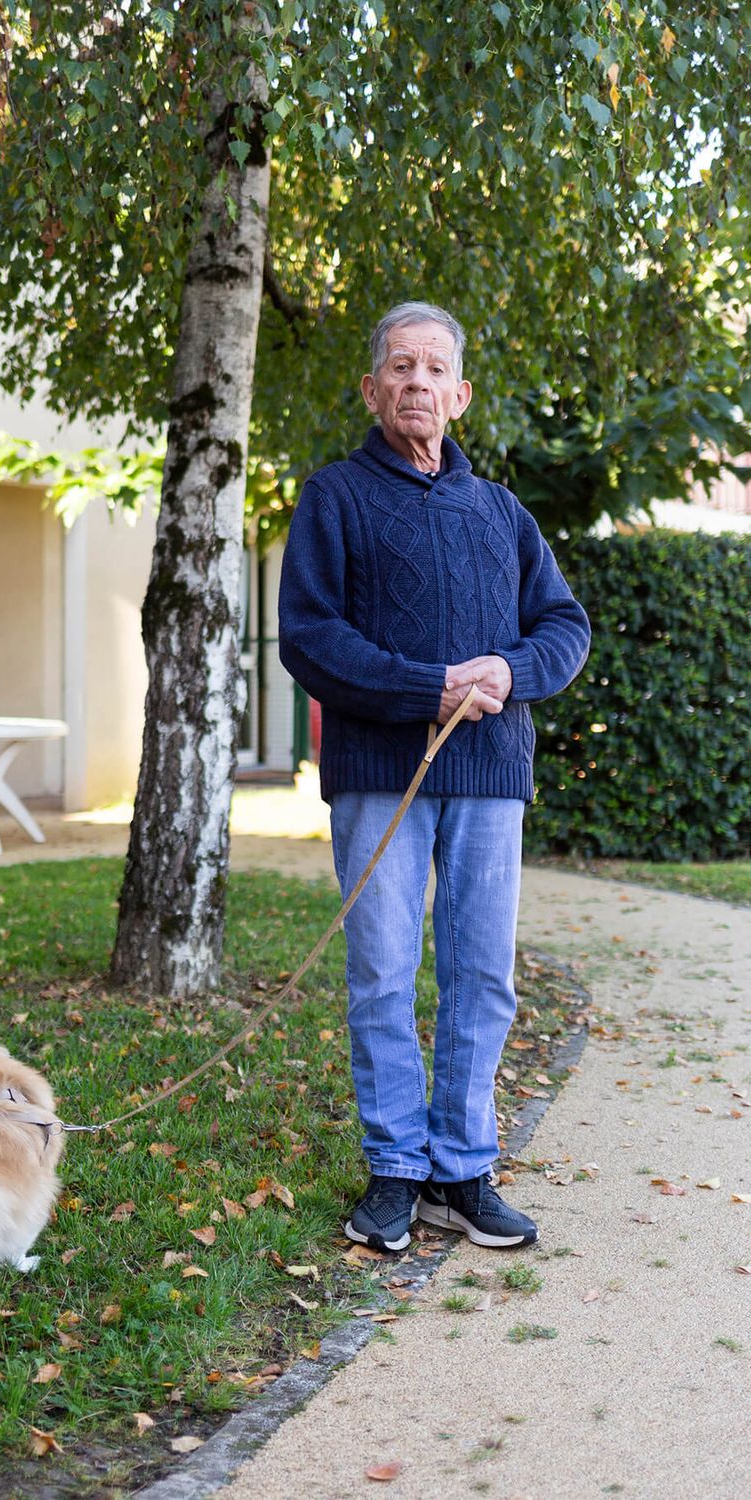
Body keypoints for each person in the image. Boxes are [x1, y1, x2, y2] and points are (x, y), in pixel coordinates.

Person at [278, 302, 590, 1253]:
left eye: (434, 369)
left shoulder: (502, 511)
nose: (416, 382)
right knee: (381, 974)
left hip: (492, 776)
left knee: (481, 978)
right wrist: (429, 685)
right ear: (373, 390)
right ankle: (395, 1169)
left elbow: (563, 628)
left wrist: (509, 671)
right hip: (382, 773)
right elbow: (310, 638)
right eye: (399, 367)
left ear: (459, 395)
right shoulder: (333, 497)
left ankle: (461, 1170)